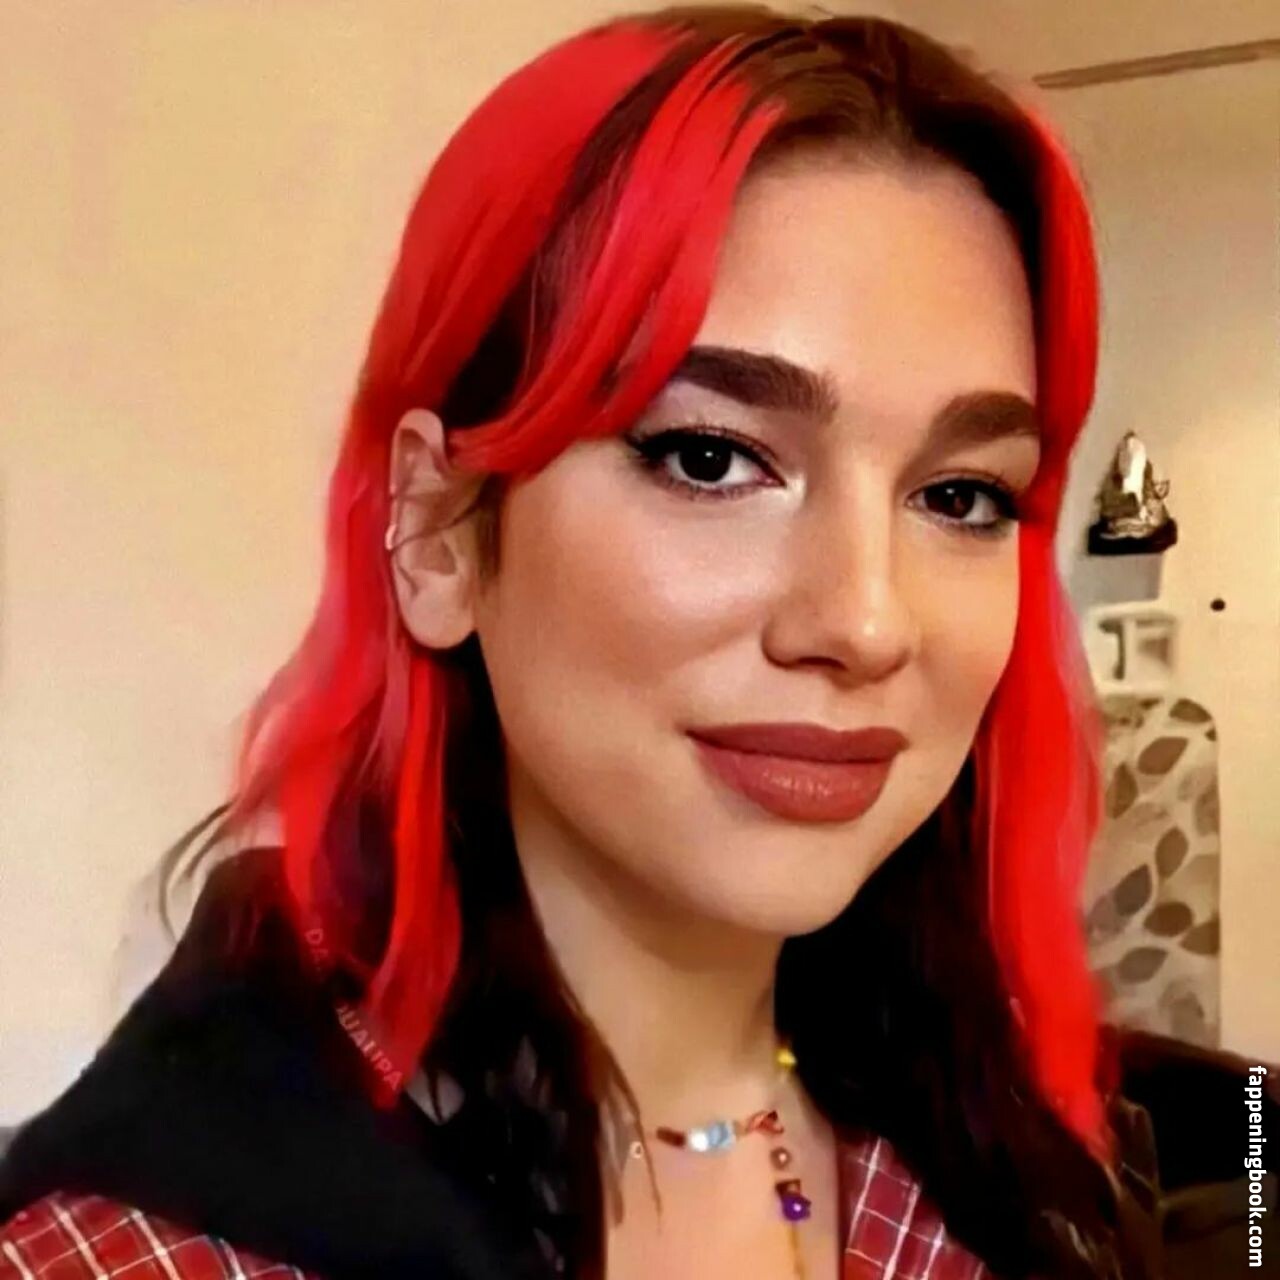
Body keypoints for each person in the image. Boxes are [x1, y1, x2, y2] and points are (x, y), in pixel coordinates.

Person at [0, 6, 1157, 1278]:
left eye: (960, 495)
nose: (865, 620)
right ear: (437, 530)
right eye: (708, 457)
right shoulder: (142, 1248)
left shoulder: (1008, 1159)